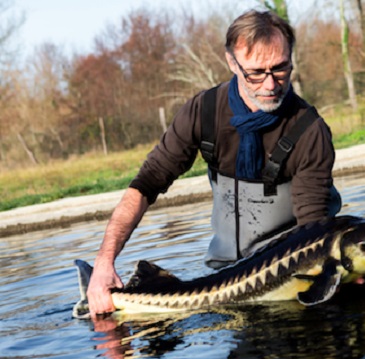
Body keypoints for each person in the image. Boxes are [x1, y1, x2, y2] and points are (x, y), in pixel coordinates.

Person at [86, 9, 341, 318]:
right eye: (256, 72)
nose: (271, 84)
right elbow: (147, 183)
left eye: (281, 68)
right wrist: (104, 264)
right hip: (222, 276)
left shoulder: (309, 130)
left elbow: (311, 231)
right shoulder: (203, 112)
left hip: (283, 274)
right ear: (232, 63)